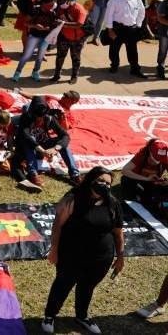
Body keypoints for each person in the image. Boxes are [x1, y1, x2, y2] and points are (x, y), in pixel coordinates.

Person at [41, 167, 124, 335]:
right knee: (62, 285)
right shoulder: (73, 198)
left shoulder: (113, 203)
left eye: (108, 183)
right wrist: (54, 249)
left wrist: (121, 255)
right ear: (90, 180)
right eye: (100, 181)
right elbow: (57, 225)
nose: (104, 185)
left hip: (101, 258)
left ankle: (82, 316)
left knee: (87, 287)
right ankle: (49, 316)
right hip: (71, 255)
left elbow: (118, 232)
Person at [12, 96, 71, 192]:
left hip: (43, 145)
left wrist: (56, 148)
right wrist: (43, 151)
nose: (39, 119)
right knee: (29, 140)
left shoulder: (50, 119)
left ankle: (74, 174)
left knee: (63, 144)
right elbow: (26, 136)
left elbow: (65, 135)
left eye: (42, 117)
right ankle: (33, 174)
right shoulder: (25, 118)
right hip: (31, 148)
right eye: (37, 117)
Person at [104, 0, 147, 78]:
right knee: (114, 48)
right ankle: (114, 65)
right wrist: (110, 30)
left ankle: (134, 69)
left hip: (132, 29)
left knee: (132, 49)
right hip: (117, 28)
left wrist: (138, 25)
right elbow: (109, 15)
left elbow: (142, 12)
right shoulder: (114, 0)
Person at [12, 0, 59, 82]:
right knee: (27, 55)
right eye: (50, 4)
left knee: (40, 56)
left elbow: (53, 25)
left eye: (52, 4)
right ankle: (17, 73)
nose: (52, 6)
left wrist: (49, 28)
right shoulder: (35, 10)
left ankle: (35, 72)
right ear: (44, 4)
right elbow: (25, 23)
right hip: (34, 36)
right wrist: (35, 26)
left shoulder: (52, 13)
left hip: (45, 37)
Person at [120, 138, 168, 211]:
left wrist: (165, 182)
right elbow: (125, 170)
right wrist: (146, 178)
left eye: (161, 159)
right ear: (150, 152)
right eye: (155, 158)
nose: (157, 161)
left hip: (152, 182)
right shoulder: (142, 154)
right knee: (126, 180)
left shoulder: (165, 159)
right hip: (137, 179)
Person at [51, 0, 88, 84]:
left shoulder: (79, 9)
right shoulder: (59, 7)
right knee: (60, 56)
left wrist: (64, 24)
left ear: (68, 0)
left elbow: (79, 24)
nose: (60, 4)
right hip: (64, 37)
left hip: (77, 39)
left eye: (62, 2)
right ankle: (56, 75)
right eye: (59, 2)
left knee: (75, 58)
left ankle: (74, 76)